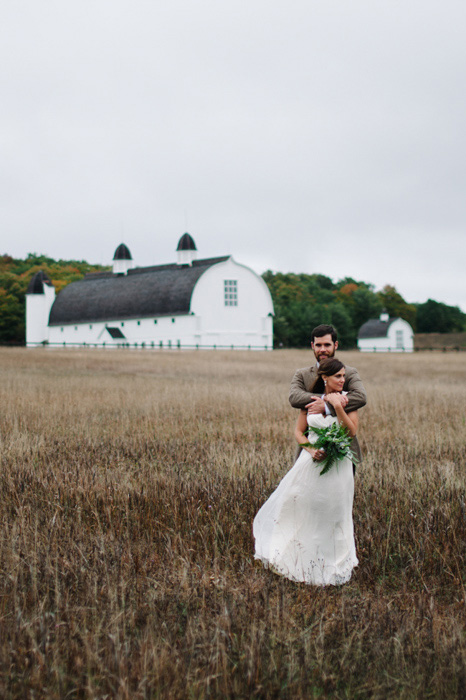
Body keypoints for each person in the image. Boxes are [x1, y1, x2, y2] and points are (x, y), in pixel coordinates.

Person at [253, 358, 359, 585]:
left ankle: (334, 567)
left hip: (338, 467)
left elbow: (350, 432)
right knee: (302, 506)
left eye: (343, 375)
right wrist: (310, 450)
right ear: (324, 378)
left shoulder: (347, 399)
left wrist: (338, 406)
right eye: (338, 376)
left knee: (335, 513)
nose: (342, 379)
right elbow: (299, 432)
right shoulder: (311, 401)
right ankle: (300, 559)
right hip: (310, 464)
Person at [289, 324, 366, 466]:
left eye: (327, 345)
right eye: (318, 345)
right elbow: (294, 398)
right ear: (312, 345)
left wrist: (327, 406)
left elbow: (360, 397)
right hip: (310, 453)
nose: (322, 349)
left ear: (335, 345)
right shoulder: (302, 374)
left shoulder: (349, 373)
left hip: (344, 451)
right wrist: (324, 398)